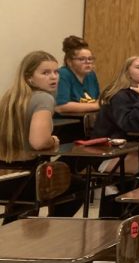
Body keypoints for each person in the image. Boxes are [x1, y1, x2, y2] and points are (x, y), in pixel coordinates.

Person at [0, 50, 85, 218]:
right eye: (45, 73)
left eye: (56, 72)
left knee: (20, 207)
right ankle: (53, 227)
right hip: (25, 179)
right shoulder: (43, 99)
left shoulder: (10, 97)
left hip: (6, 178)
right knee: (80, 186)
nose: (53, 77)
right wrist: (52, 140)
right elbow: (38, 143)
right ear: (29, 77)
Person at [54, 35, 101, 117]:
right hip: (68, 123)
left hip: (87, 121)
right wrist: (97, 106)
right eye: (82, 59)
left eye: (90, 59)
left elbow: (97, 99)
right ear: (69, 62)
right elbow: (61, 106)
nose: (88, 62)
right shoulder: (63, 74)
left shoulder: (91, 75)